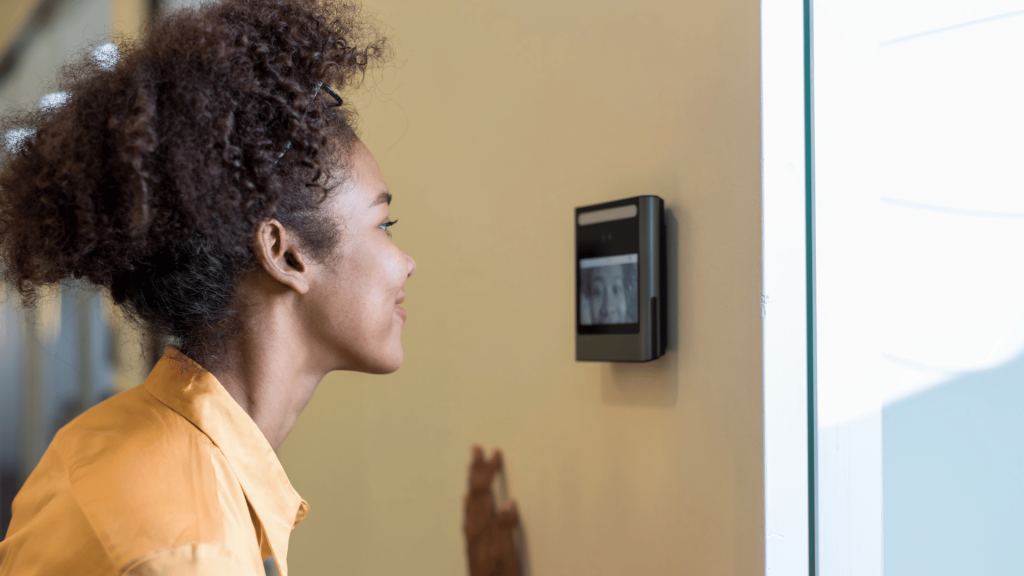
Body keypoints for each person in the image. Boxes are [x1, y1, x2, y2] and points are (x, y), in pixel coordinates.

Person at [0, 1, 519, 574]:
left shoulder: (101, 440)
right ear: (285, 253)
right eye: (384, 225)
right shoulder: (193, 551)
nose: (407, 262)